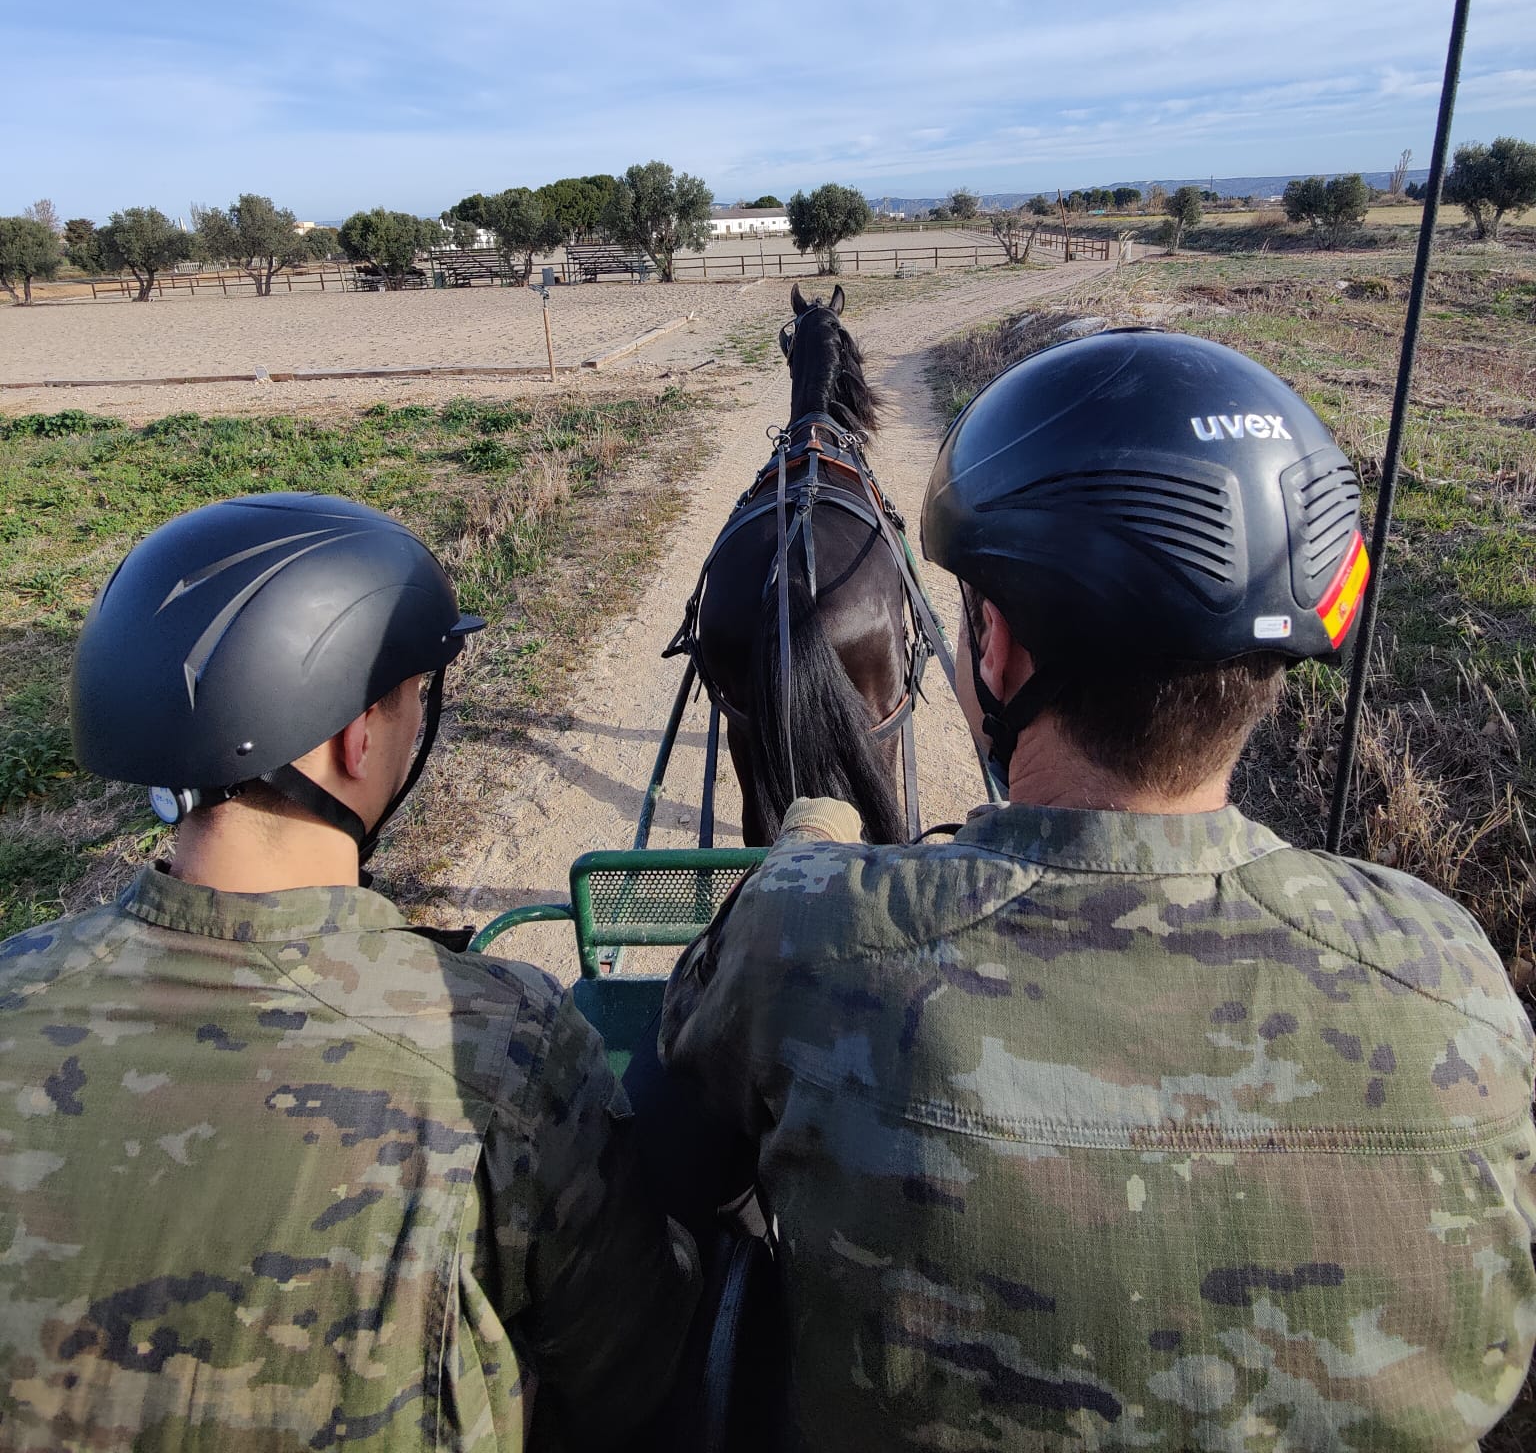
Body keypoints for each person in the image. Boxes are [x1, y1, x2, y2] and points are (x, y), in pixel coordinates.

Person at [658, 329, 1536, 1450]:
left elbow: (681, 1124)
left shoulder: (816, 933)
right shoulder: (1448, 966)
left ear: (1003, 650)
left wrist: (819, 829)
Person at [0, 492, 698, 1452]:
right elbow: (636, 1371)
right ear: (356, 738)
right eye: (415, 695)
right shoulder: (505, 1053)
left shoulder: (14, 989)